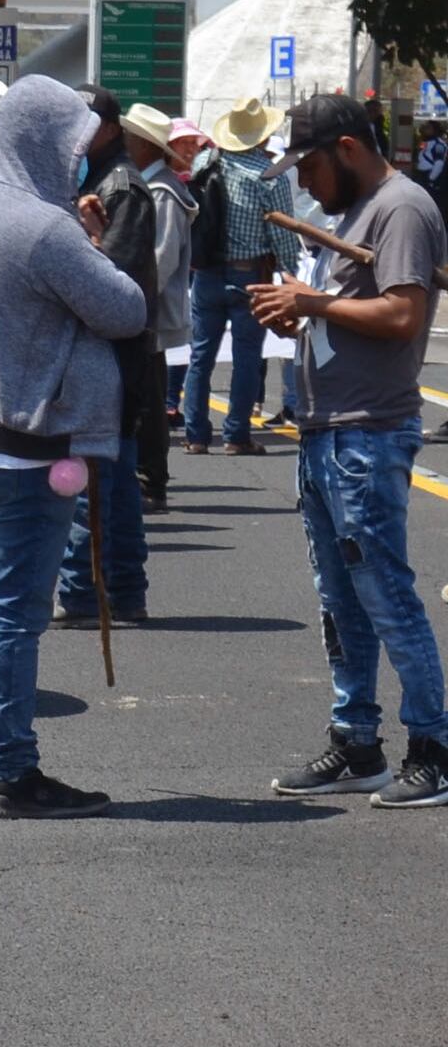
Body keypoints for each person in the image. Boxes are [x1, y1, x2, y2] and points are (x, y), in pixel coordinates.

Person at [0, 75, 145, 819]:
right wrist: (87, 239)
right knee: (13, 619)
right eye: (75, 144)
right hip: (30, 446)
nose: (81, 157)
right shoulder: (45, 228)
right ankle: (11, 773)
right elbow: (125, 307)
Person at [247, 95, 448, 807]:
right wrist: (298, 305)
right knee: (342, 600)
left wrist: (312, 304)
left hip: (368, 430)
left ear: (348, 149)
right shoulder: (352, 213)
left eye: (310, 164)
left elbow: (402, 313)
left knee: (387, 594)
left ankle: (434, 745)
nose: (305, 182)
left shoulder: (402, 208)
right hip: (329, 429)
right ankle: (356, 740)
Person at [55, 84, 162, 626]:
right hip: (109, 349)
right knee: (111, 475)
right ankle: (122, 589)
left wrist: (85, 241)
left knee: (95, 473)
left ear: (113, 130)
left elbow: (110, 282)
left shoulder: (122, 188)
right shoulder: (95, 177)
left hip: (115, 352)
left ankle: (82, 591)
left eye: (89, 122)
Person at [181, 96, 293, 455]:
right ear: (262, 136)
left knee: (201, 354)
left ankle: (196, 435)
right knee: (247, 354)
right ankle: (236, 434)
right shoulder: (268, 174)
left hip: (206, 272)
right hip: (250, 275)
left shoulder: (205, 163)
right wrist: (290, 273)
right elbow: (282, 233)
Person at [125, 108, 198, 513]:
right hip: (146, 310)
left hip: (151, 312)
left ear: (144, 145)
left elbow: (160, 260)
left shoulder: (162, 193)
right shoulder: (153, 187)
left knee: (151, 400)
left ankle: (152, 480)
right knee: (146, 395)